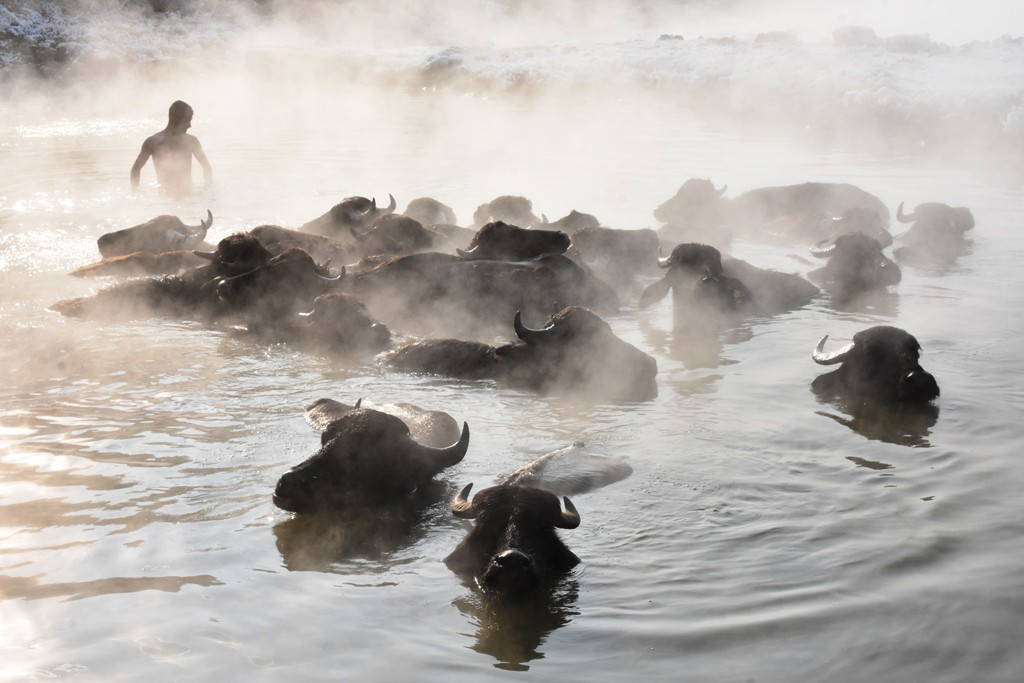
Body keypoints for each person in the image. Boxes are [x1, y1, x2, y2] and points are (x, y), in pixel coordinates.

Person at [130, 100, 212, 196]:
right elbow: (136, 169)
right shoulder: (153, 142)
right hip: (173, 198)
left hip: (181, 197)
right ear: (177, 120)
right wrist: (136, 193)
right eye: (188, 120)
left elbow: (206, 167)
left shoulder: (190, 141)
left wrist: (206, 190)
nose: (190, 125)